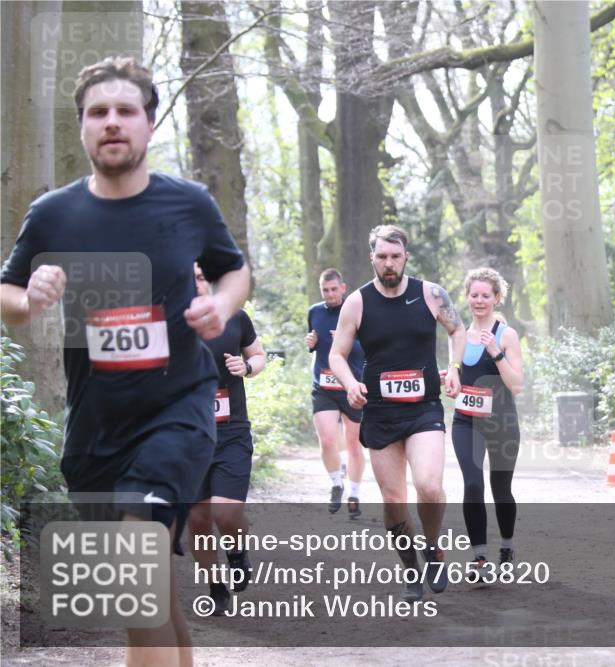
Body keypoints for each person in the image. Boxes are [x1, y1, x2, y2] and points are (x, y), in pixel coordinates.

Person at [0, 56, 250, 666]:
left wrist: (219, 305)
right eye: (97, 113)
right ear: (83, 127)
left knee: (136, 583)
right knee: (153, 605)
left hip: (175, 415)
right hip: (94, 430)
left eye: (125, 111)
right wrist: (29, 300)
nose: (112, 122)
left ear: (149, 123)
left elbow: (234, 270)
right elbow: (5, 294)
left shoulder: (188, 204)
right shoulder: (54, 213)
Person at [329, 225, 465, 602]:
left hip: (424, 408)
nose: (389, 263)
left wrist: (454, 368)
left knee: (430, 486)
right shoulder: (356, 302)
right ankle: (410, 570)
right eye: (382, 257)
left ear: (406, 257)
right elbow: (336, 355)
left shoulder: (431, 293)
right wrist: (349, 383)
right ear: (372, 258)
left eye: (395, 256)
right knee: (394, 501)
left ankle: (434, 549)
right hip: (380, 412)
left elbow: (457, 330)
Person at [187, 263, 265, 615]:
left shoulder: (236, 317)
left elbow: (259, 355)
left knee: (226, 511)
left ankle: (237, 553)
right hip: (187, 436)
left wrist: (246, 368)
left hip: (231, 430)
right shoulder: (167, 322)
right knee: (199, 518)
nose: (197, 283)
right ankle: (216, 586)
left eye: (203, 276)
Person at [452, 268, 524, 580]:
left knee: (500, 487)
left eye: (485, 295)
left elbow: (517, 384)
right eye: (474, 294)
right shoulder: (458, 336)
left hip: (502, 422)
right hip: (465, 421)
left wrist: (495, 353)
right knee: (472, 483)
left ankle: (506, 545)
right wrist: (450, 378)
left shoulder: (506, 335)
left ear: (497, 298)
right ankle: (479, 557)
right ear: (467, 297)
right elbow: (454, 372)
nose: (479, 300)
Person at [305, 268, 366, 517]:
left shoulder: (355, 310)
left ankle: (354, 493)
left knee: (353, 444)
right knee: (327, 439)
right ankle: (336, 483)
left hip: (352, 385)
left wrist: (349, 341)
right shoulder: (315, 312)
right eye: (325, 290)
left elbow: (369, 349)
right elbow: (316, 343)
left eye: (333, 289)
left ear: (343, 288)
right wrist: (311, 343)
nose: (329, 294)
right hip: (324, 386)